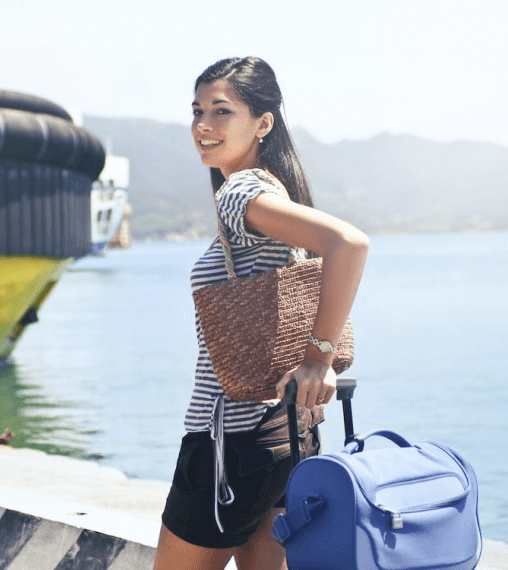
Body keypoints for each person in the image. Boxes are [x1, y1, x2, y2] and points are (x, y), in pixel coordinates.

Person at [153, 57, 369, 570]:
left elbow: (349, 244)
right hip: (290, 434)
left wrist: (319, 357)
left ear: (263, 122)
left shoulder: (240, 191)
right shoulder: (276, 187)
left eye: (222, 111)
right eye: (197, 111)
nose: (204, 126)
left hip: (230, 443)